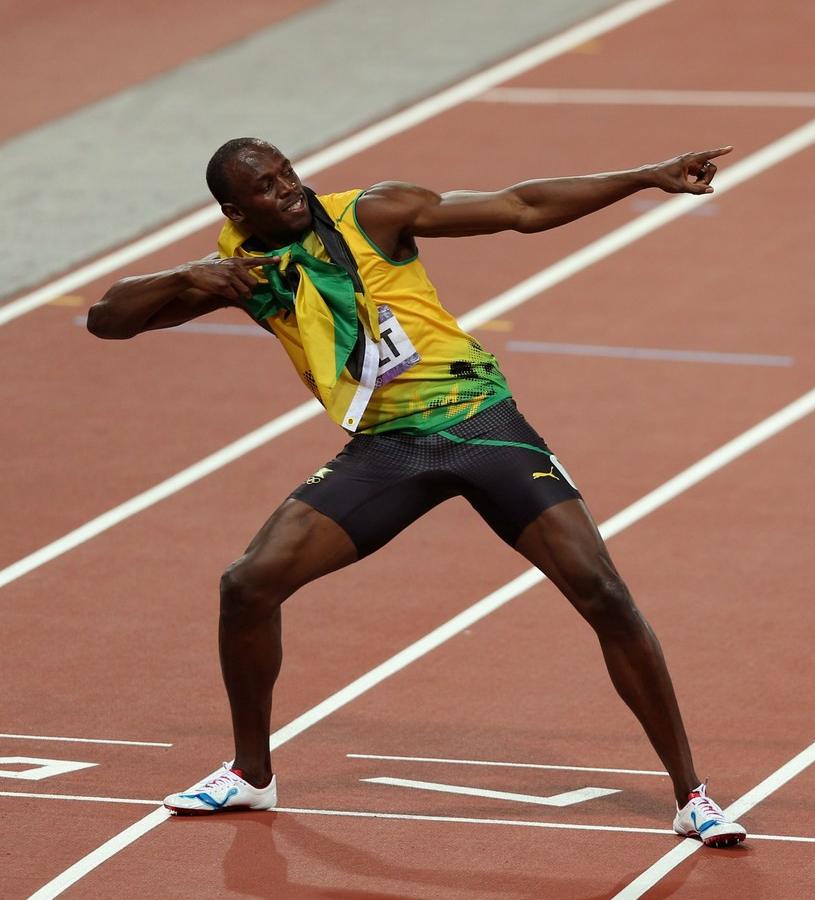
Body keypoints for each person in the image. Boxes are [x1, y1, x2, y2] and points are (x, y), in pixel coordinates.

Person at [86, 137, 746, 847]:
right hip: (388, 449)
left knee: (603, 592)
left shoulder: (374, 212)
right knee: (248, 585)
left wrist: (645, 177)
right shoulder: (243, 272)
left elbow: (519, 207)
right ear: (234, 208)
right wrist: (194, 274)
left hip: (483, 423)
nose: (290, 190)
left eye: (289, 174)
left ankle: (692, 795)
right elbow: (108, 321)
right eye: (269, 187)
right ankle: (251, 776)